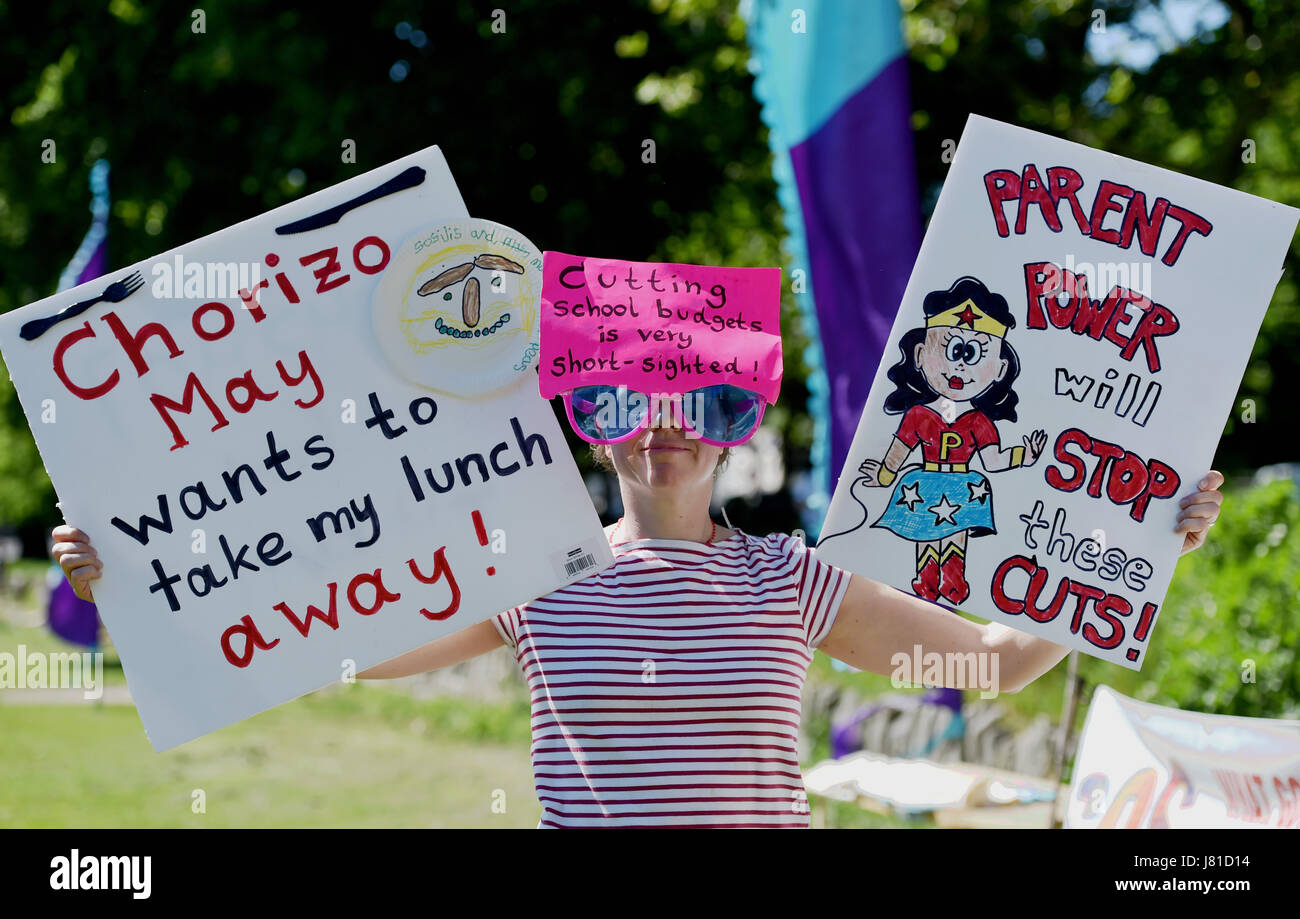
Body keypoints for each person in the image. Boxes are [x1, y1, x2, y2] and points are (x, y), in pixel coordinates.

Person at [50, 384, 1226, 828]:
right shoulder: (538, 573)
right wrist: (139, 582)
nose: (660, 428)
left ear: (733, 429)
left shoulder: (790, 575)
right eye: (626, 401)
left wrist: (1133, 548)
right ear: (589, 420)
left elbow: (992, 666)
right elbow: (343, 648)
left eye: (690, 405)